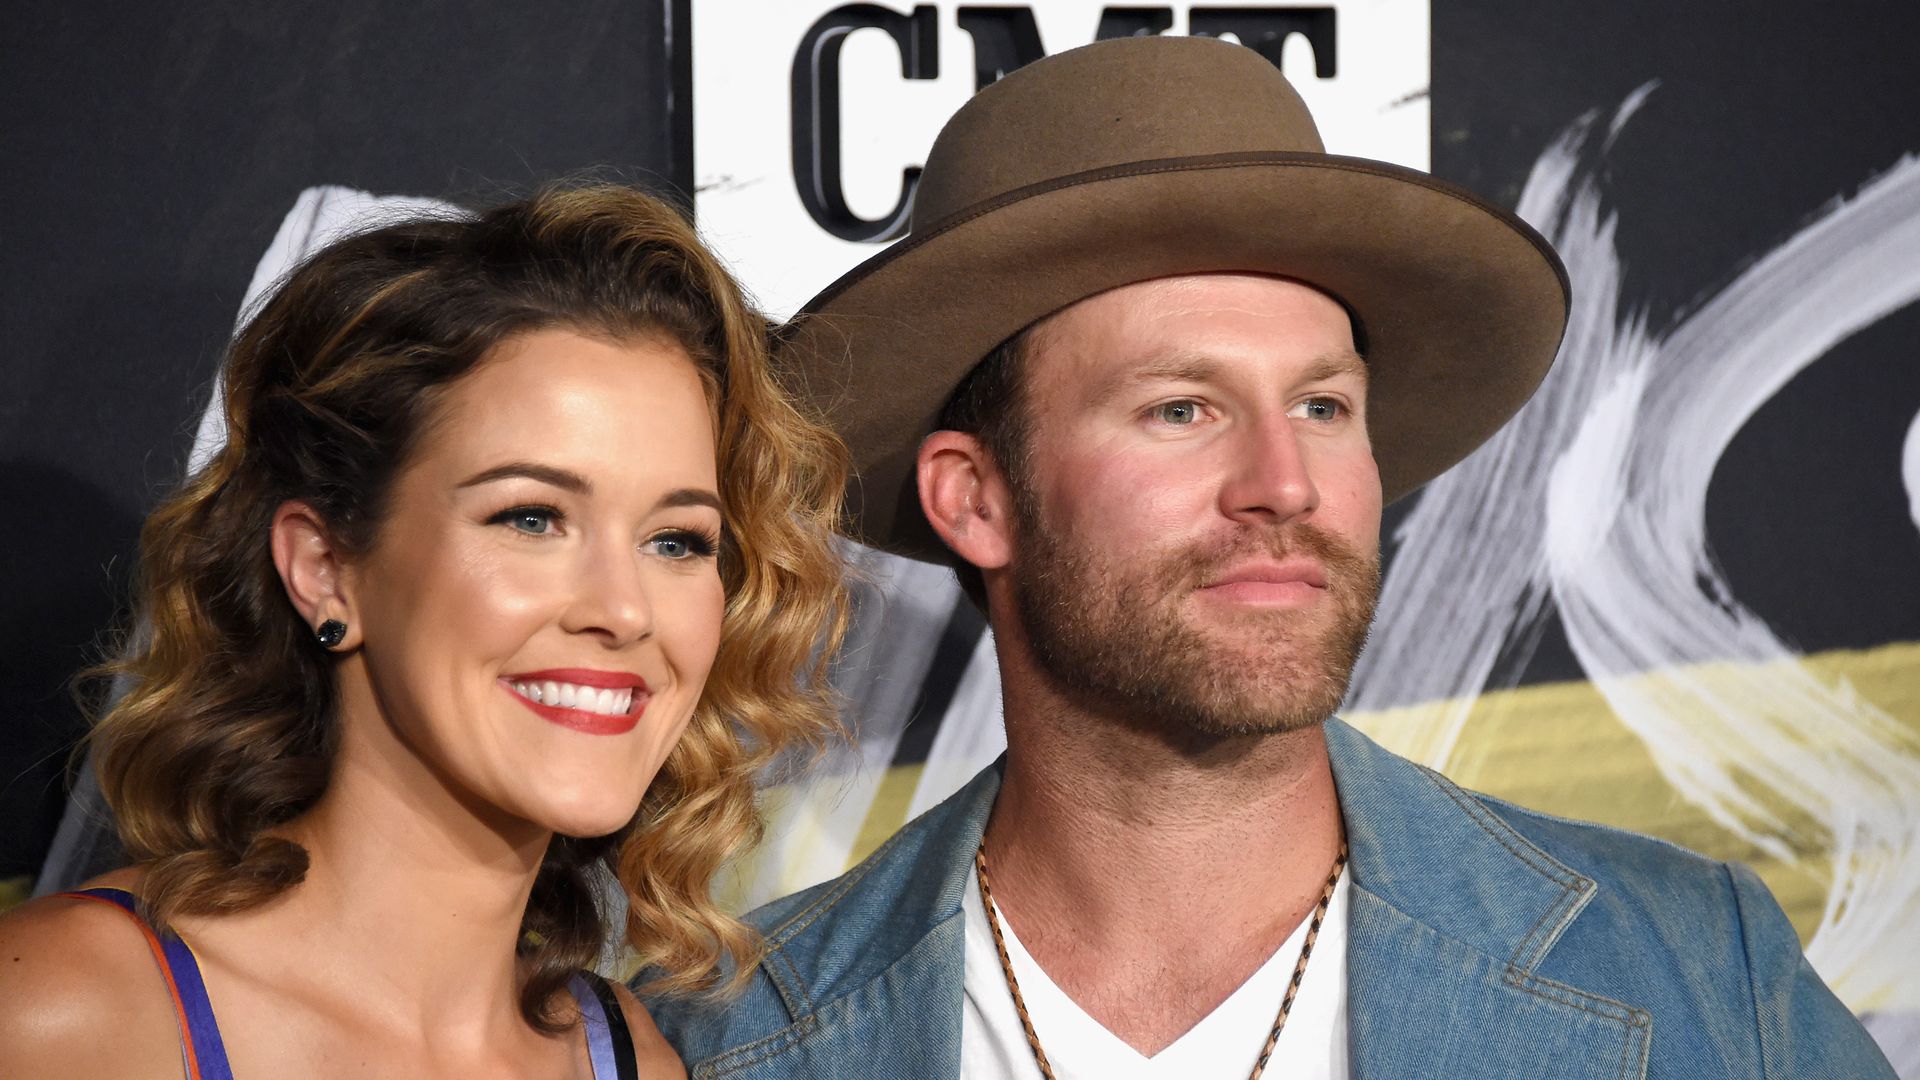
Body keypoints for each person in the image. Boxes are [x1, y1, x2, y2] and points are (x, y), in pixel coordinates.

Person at [646, 36, 1896, 1079]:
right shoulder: (720, 1041)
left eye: (1323, 407)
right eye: (1181, 410)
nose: (1285, 486)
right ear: (977, 500)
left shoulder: (1699, 978)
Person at [0, 184, 849, 1079]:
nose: (625, 610)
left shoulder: (629, 1059)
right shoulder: (68, 1015)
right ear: (325, 567)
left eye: (675, 540)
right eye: (531, 518)